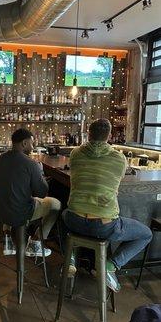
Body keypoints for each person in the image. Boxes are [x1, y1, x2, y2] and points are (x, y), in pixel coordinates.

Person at [63, 118, 152, 292]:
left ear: (88, 134)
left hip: (75, 220)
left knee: (63, 214)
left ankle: (71, 256)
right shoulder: (119, 159)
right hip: (103, 226)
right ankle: (110, 266)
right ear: (109, 135)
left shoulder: (75, 154)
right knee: (146, 234)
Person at [0, 128, 61, 257]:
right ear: (24, 143)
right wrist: (40, 173)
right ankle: (35, 242)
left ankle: (9, 239)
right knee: (55, 205)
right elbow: (42, 193)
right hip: (21, 213)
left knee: (12, 198)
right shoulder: (31, 164)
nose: (33, 146)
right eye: (32, 143)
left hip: (0, 211)